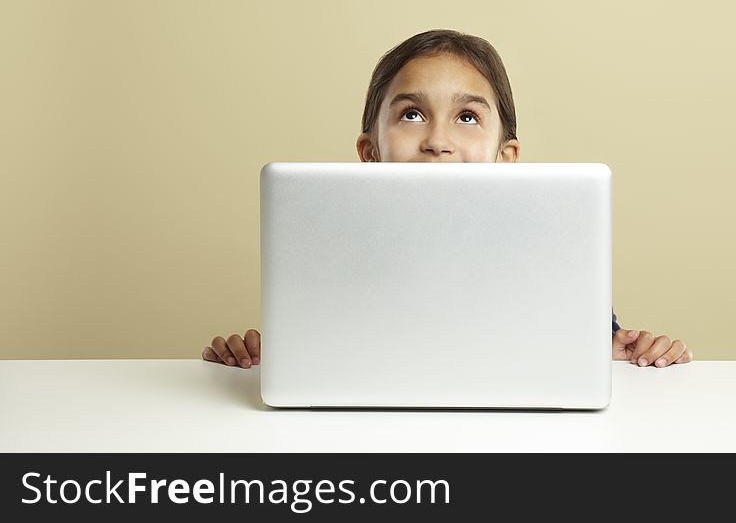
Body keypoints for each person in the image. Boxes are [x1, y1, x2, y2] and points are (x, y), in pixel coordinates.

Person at [202, 29, 693, 370]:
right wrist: (260, 354)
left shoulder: (542, 249)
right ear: (369, 153)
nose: (438, 140)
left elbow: (588, 349)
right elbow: (314, 353)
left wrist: (627, 351)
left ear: (506, 157)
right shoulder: (334, 248)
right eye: (412, 115)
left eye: (467, 117)